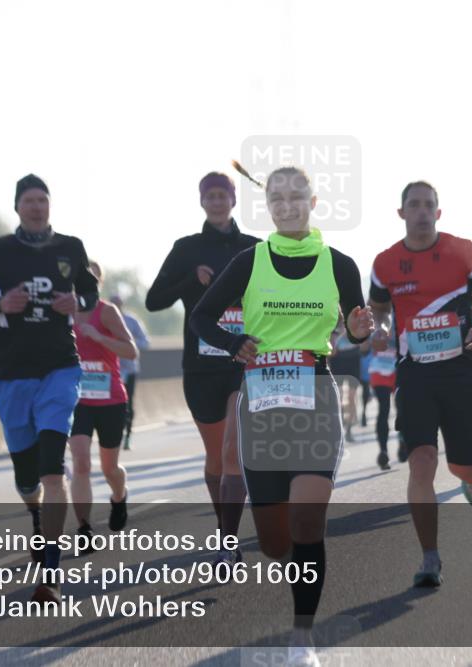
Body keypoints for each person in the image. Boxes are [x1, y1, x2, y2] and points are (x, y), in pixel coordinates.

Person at [191, 166, 373, 667]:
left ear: (313, 202)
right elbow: (201, 316)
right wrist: (235, 344)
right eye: (278, 198)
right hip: (262, 403)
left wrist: (358, 328)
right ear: (267, 205)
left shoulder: (339, 264)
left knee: (307, 519)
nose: (288, 205)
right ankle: (301, 569)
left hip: (314, 396)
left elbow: (357, 330)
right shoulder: (250, 262)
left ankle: (302, 639)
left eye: (297, 196)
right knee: (275, 544)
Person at [0, 174, 98, 604]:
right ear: (17, 207)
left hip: (60, 368)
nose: (37, 207)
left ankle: (50, 573)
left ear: (50, 206)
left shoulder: (70, 248)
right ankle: (35, 513)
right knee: (27, 476)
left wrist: (80, 304)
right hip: (11, 372)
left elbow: (90, 293)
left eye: (43, 200)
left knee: (53, 468)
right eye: (29, 201)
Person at [369, 181, 472, 588]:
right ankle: (430, 556)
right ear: (402, 213)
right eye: (414, 205)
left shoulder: (463, 251)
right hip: (414, 374)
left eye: (429, 205)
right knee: (422, 461)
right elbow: (378, 309)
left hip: (460, 368)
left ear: (439, 213)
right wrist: (378, 329)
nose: (422, 211)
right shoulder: (385, 263)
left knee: (463, 467)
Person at [146, 172, 260, 567]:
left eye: (222, 195)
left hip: (243, 362)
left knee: (233, 449)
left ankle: (228, 542)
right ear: (201, 201)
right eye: (209, 196)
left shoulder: (254, 249)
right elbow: (153, 300)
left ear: (233, 200)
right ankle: (222, 524)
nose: (216, 201)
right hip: (200, 366)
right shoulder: (186, 249)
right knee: (215, 456)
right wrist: (187, 280)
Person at [69, 261, 138, 549]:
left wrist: (99, 337)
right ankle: (84, 528)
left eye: (93, 281)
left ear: (99, 284)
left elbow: (131, 351)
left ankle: (119, 497)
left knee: (110, 468)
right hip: (77, 399)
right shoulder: (64, 311)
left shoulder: (106, 312)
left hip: (110, 399)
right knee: (81, 461)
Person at [110, 294, 150, 450]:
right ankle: (114, 435)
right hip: (110, 370)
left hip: (129, 369)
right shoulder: (104, 319)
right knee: (112, 404)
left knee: (128, 403)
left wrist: (130, 344)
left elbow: (145, 342)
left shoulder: (131, 321)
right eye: (112, 304)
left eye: (118, 304)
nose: (116, 307)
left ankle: (128, 435)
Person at [367, 324, 398, 471]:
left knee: (401, 409)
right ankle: (383, 451)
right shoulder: (379, 326)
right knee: (385, 409)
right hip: (381, 373)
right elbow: (363, 349)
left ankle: (403, 442)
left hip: (397, 372)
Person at [330, 327, 362, 442]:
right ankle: (341, 424)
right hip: (337, 357)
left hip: (353, 356)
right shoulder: (334, 312)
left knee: (351, 397)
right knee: (339, 396)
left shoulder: (354, 309)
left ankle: (349, 429)